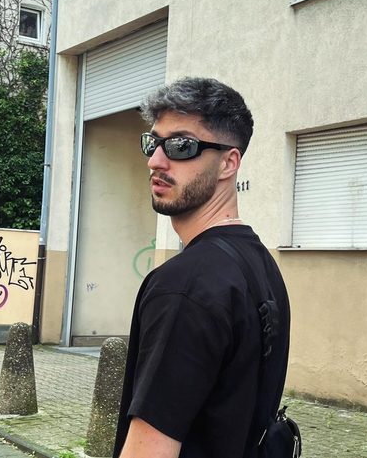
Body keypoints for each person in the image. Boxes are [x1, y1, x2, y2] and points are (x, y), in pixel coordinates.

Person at [113, 77, 290, 458]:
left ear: (228, 162)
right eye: (153, 143)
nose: (155, 161)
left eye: (181, 146)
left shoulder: (184, 286)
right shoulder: (261, 265)